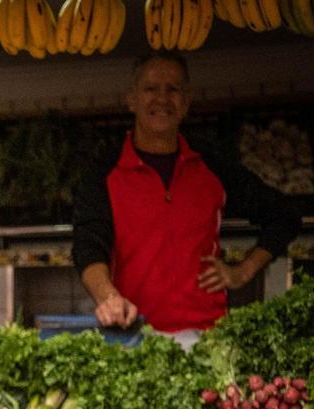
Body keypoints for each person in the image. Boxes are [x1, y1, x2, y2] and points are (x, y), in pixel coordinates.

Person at [72, 52, 301, 334]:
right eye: (150, 89)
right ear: (131, 99)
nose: (162, 99)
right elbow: (88, 244)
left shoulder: (212, 167)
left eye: (173, 90)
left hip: (207, 337)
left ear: (186, 103)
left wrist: (242, 271)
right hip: (133, 336)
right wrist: (108, 297)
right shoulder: (104, 172)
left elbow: (285, 214)